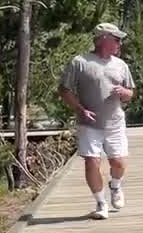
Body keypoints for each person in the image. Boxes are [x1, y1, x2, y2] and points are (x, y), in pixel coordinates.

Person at [58, 23, 135, 219]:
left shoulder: (121, 65)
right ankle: (101, 203)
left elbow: (130, 93)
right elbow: (64, 90)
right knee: (92, 162)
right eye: (116, 39)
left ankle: (115, 186)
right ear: (103, 39)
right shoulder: (80, 62)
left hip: (115, 122)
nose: (119, 43)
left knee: (118, 162)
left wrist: (125, 93)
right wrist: (79, 109)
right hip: (89, 123)